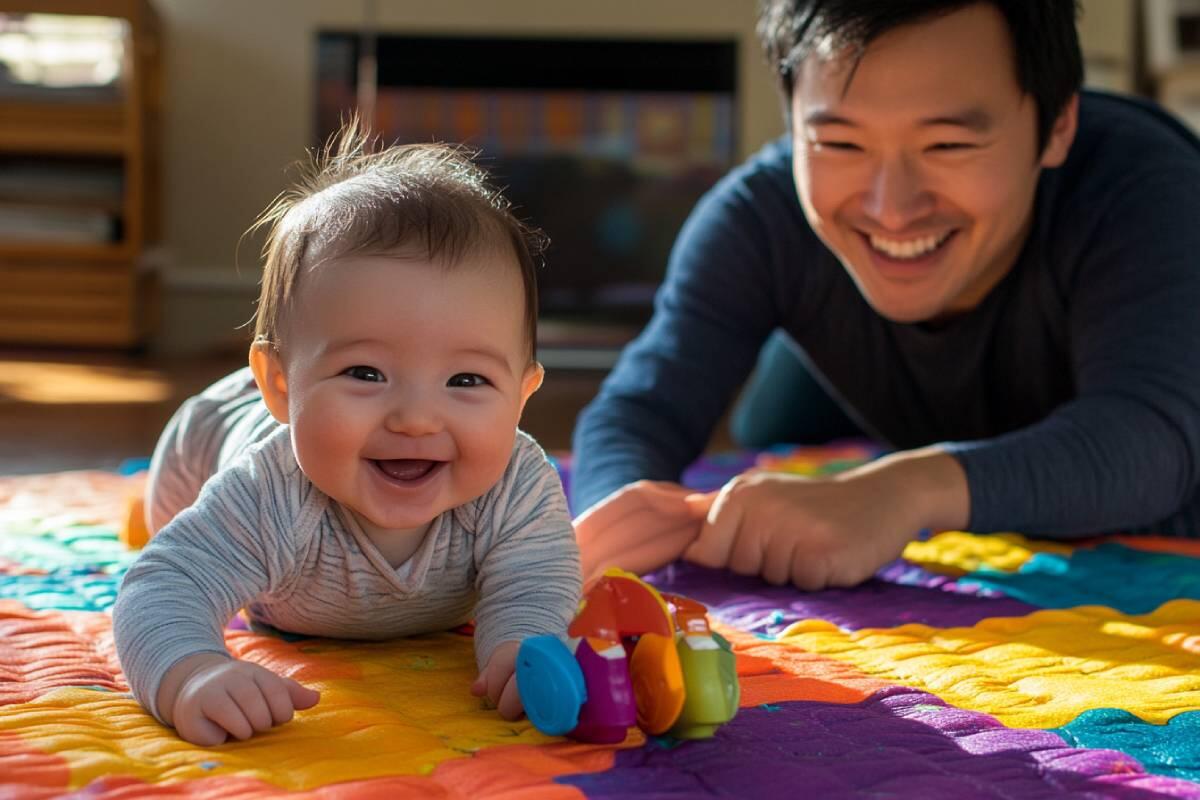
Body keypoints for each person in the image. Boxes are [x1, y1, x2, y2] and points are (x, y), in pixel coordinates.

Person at [571, 0, 1200, 591]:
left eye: (948, 144)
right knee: (776, 435)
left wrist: (906, 490)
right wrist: (620, 520)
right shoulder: (759, 217)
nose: (891, 208)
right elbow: (641, 408)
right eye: (839, 143)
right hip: (844, 395)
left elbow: (1152, 435)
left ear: (1058, 123)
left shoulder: (1147, 192)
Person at [113, 126, 582, 746]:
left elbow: (537, 580)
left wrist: (522, 644)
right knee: (166, 519)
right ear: (280, 385)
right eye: (365, 373)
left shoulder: (517, 486)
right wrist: (192, 672)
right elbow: (160, 589)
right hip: (211, 433)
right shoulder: (267, 495)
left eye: (466, 379)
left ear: (523, 395)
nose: (416, 418)